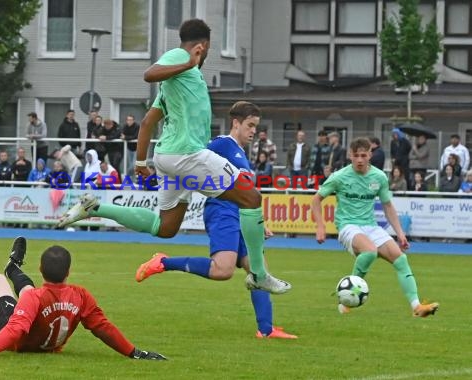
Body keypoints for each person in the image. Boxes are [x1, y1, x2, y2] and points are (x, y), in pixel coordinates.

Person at [58, 19, 288, 294]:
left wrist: (141, 162)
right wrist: (188, 63)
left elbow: (146, 123)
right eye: (208, 50)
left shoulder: (175, 84)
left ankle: (94, 208)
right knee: (252, 198)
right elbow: (149, 73)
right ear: (202, 46)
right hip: (187, 154)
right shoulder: (181, 59)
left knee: (165, 227)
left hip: (167, 158)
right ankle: (260, 275)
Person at [135, 101, 294, 339]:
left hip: (240, 213)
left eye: (256, 127)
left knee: (258, 270)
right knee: (223, 270)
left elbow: (245, 194)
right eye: (250, 125)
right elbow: (192, 168)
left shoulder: (240, 152)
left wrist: (258, 224)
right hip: (222, 211)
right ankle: (163, 262)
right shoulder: (221, 145)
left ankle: (266, 329)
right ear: (236, 123)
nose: (253, 131)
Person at [0, 237, 166, 360]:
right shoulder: (81, 295)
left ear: (40, 269)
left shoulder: (35, 299)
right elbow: (103, 328)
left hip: (19, 344)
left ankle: (10, 268)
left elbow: (15, 330)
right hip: (50, 341)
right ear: (69, 271)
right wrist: (135, 353)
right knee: (28, 293)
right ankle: (13, 267)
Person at [311, 137, 439, 317]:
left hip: (370, 226)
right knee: (370, 251)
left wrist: (400, 233)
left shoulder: (379, 177)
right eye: (356, 156)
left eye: (364, 155)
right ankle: (347, 299)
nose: (360, 160)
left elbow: (387, 206)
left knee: (401, 259)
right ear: (350, 155)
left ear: (370, 154)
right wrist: (320, 227)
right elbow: (316, 200)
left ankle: (417, 307)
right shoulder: (339, 177)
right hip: (348, 225)